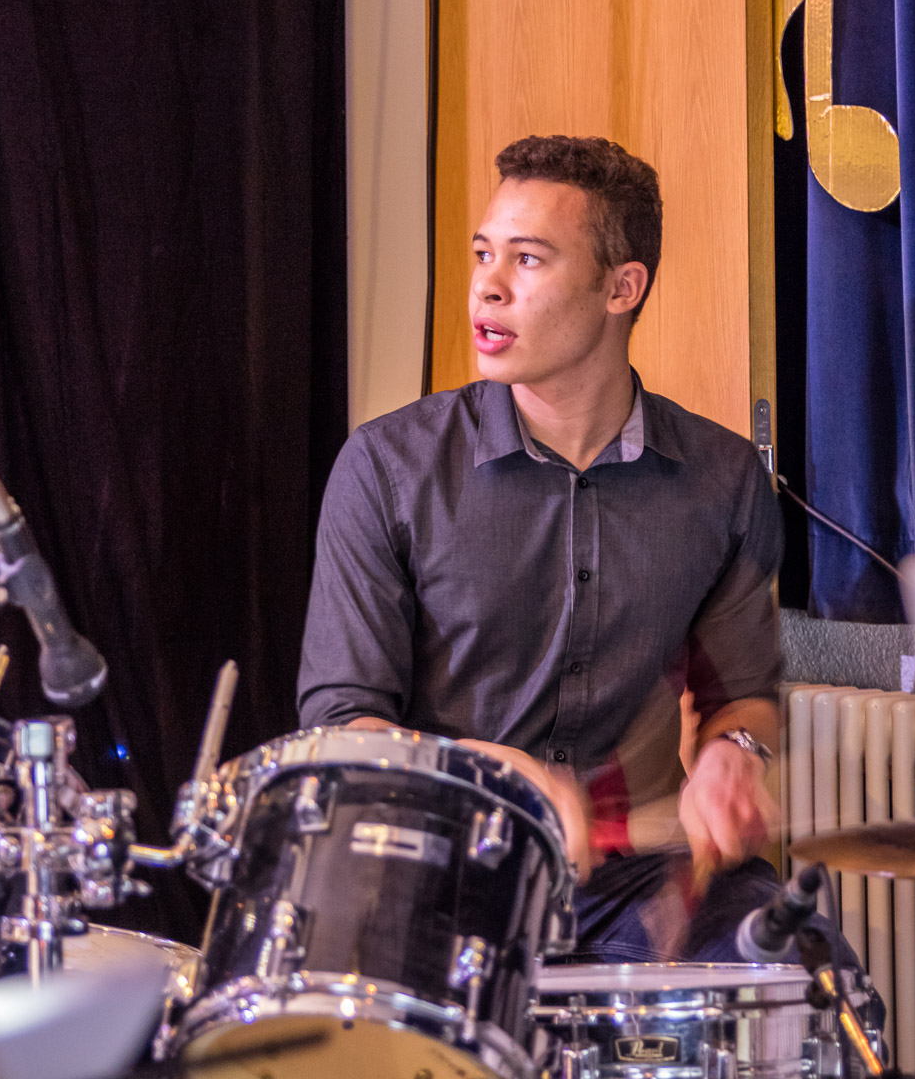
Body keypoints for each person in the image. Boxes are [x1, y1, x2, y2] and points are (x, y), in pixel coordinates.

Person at [298, 134, 849, 965]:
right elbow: (345, 726)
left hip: (636, 881)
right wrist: (488, 770)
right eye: (483, 254)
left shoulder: (724, 478)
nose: (487, 285)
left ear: (622, 288)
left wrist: (734, 757)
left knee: (806, 975)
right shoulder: (385, 468)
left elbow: (741, 697)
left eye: (527, 259)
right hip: (439, 867)